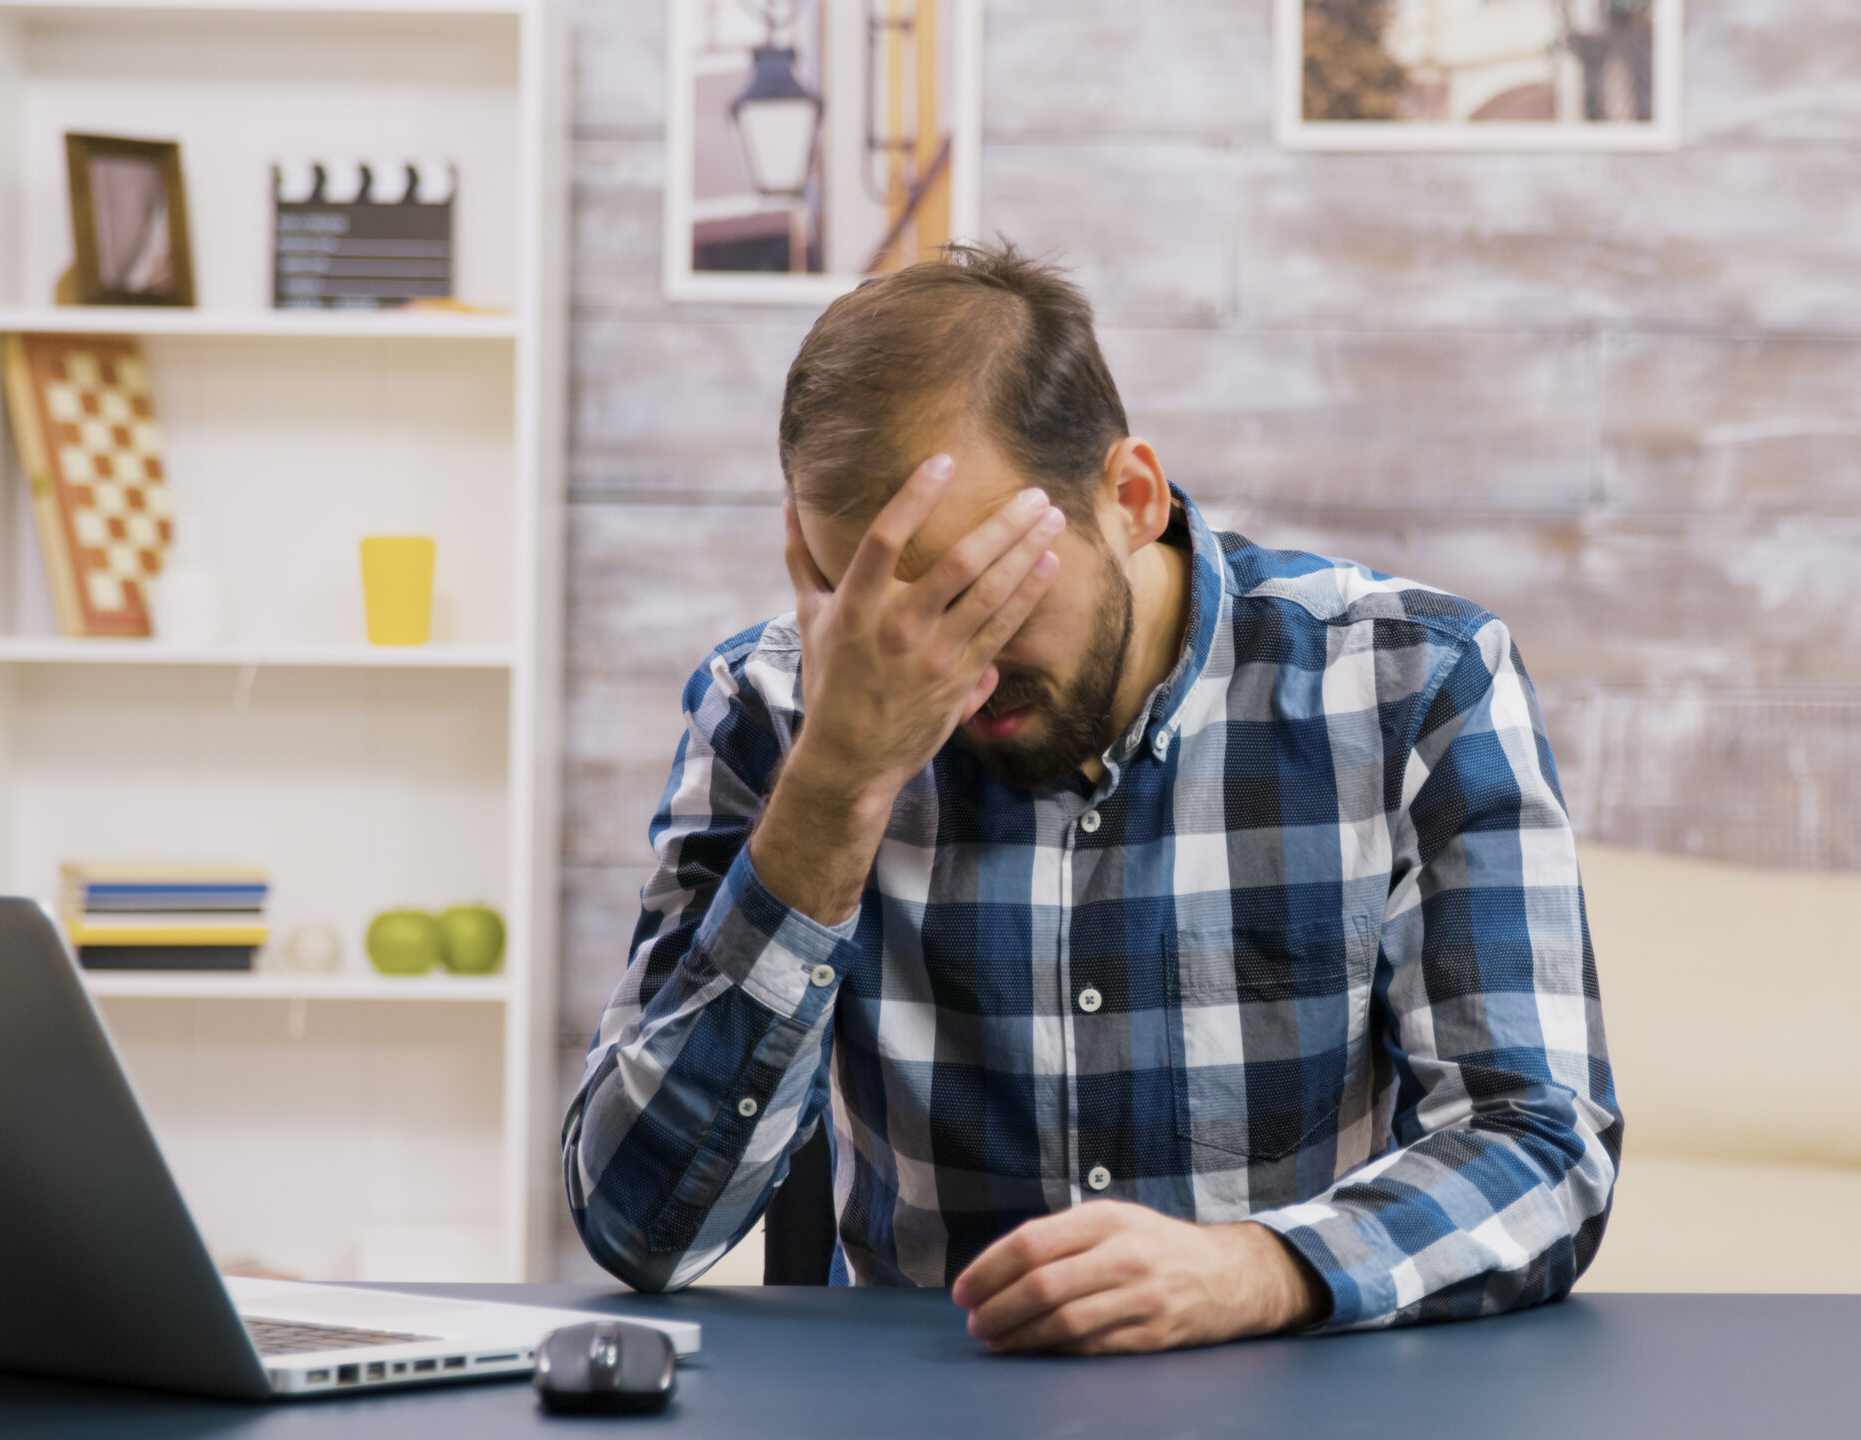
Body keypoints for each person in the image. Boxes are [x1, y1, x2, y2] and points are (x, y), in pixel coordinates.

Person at [562, 243, 1619, 1355]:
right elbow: (639, 1228)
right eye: (865, 602)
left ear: (1129, 497)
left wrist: (1258, 1271)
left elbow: (1539, 1143)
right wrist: (835, 785)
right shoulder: (775, 709)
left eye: (979, 594)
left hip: (1294, 1395)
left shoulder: (1413, 682)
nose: (940, 672)